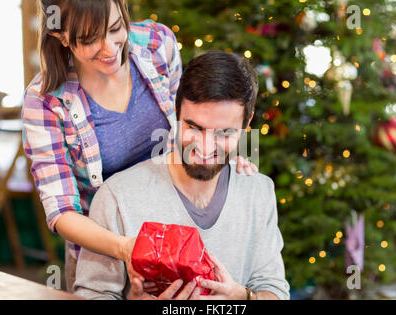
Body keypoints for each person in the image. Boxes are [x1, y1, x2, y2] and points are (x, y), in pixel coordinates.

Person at [22, 0, 257, 293]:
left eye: (115, 28)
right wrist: (126, 248)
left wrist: (223, 155)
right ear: (60, 35)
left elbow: (192, 124)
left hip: (181, 241)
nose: (109, 49)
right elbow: (61, 212)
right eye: (88, 39)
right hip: (106, 257)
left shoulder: (159, 44)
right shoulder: (45, 101)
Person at [73, 51, 290, 300]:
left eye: (225, 133)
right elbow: (90, 295)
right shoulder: (118, 196)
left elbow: (275, 292)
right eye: (194, 128)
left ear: (246, 124)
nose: (206, 148)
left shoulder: (258, 192)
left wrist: (242, 297)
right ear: (176, 113)